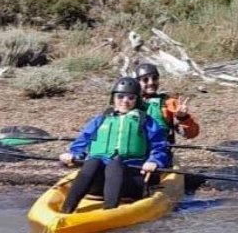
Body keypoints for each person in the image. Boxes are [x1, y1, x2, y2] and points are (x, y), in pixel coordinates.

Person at [58, 76, 172, 211]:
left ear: (137, 100)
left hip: (131, 181)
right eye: (120, 96)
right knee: (93, 162)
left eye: (131, 97)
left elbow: (160, 146)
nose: (125, 101)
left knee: (115, 163)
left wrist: (155, 161)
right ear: (113, 98)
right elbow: (80, 144)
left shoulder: (147, 121)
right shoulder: (99, 120)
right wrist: (72, 155)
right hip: (98, 184)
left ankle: (110, 211)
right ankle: (66, 211)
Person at [134, 61, 200, 142]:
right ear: (137, 82)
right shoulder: (128, 102)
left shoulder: (168, 102)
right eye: (145, 80)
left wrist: (183, 118)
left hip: (160, 152)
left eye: (154, 78)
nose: (151, 82)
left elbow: (192, 134)